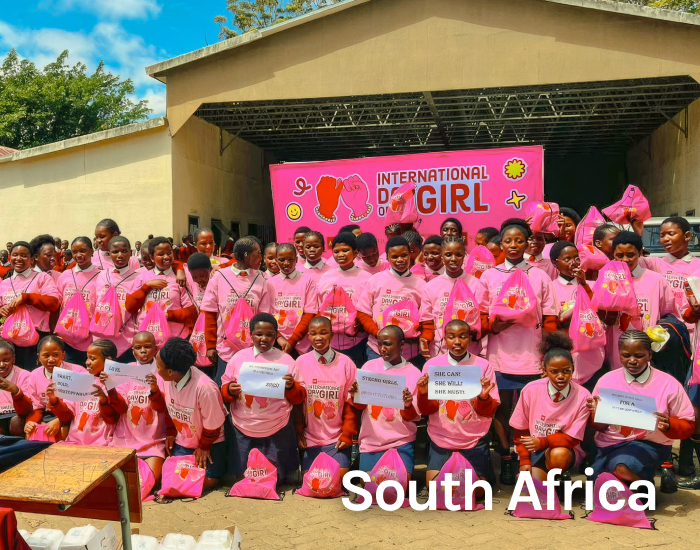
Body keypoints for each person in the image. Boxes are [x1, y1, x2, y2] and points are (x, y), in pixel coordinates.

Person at [478, 219, 558, 483]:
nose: (513, 245)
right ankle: (505, 457)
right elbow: (479, 314)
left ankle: (526, 458)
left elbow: (550, 316)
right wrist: (493, 326)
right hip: (499, 355)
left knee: (531, 412)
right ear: (501, 244)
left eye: (519, 240)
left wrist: (547, 353)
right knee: (501, 409)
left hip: (532, 356)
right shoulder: (489, 276)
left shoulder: (539, 275)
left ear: (528, 244)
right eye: (508, 241)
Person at [588, 330, 694, 485]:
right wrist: (597, 414)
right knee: (597, 482)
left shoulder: (668, 384)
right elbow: (599, 426)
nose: (632, 360)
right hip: (609, 445)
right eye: (626, 355)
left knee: (622, 468)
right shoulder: (606, 381)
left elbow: (688, 424)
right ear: (619, 354)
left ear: (649, 354)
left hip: (648, 445)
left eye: (639, 356)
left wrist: (669, 425)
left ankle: (642, 486)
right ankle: (639, 485)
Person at [222, 313, 305, 481]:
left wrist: (291, 386)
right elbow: (224, 388)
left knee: (276, 478)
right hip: (243, 425)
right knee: (243, 478)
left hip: (277, 425)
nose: (264, 339)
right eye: (259, 334)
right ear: (251, 334)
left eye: (270, 335)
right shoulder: (238, 358)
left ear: (276, 335)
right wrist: (230, 390)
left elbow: (299, 398)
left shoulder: (286, 360)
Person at [417, 320, 499, 485]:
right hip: (441, 438)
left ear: (470, 338)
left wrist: (483, 397)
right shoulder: (432, 365)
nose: (457, 341)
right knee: (435, 488)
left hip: (473, 439)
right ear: (444, 339)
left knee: (474, 491)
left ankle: (484, 473)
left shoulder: (483, 366)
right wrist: (424, 394)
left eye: (462, 336)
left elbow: (490, 411)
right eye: (451, 336)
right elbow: (426, 411)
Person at [510, 332, 591, 482]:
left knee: (559, 456)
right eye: (554, 371)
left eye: (566, 371)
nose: (561, 376)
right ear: (544, 369)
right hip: (534, 449)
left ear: (573, 368)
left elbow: (572, 439)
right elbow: (520, 430)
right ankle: (549, 483)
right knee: (532, 489)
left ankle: (557, 476)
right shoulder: (530, 390)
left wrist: (543, 442)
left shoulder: (583, 396)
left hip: (564, 451)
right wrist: (525, 460)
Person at [151, 337, 227, 488]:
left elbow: (213, 425)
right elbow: (168, 407)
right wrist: (171, 432)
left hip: (209, 443)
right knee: (172, 479)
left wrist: (204, 446)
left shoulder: (206, 388)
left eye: (158, 366)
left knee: (203, 480)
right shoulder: (167, 379)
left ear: (170, 372)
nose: (156, 369)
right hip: (184, 442)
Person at [349, 326, 421, 477]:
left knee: (397, 486)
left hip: (401, 442)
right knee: (370, 485)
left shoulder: (414, 373)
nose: (382, 349)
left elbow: (413, 416)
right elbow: (359, 406)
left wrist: (407, 406)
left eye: (387, 344)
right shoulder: (369, 366)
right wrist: (356, 395)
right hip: (371, 442)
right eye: (380, 344)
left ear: (401, 345)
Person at [201, 236, 273, 385]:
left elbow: (263, 318)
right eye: (258, 253)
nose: (261, 258)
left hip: (253, 351)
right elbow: (209, 314)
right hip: (225, 350)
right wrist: (210, 346)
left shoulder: (262, 280)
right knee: (224, 389)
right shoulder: (219, 277)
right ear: (247, 256)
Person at [603, 231, 677, 371]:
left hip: (649, 352)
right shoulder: (607, 281)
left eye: (630, 254)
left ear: (640, 253)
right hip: (617, 352)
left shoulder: (656, 280)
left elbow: (669, 314)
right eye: (620, 255)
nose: (625, 260)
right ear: (613, 255)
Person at [296, 316, 357, 477]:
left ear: (331, 335)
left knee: (336, 479)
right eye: (313, 333)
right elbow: (296, 403)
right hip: (310, 438)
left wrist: (347, 434)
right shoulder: (300, 362)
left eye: (323, 333)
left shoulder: (346, 363)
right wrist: (298, 433)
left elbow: (351, 404)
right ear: (308, 336)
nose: (318, 337)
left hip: (337, 439)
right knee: (313, 482)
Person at [102, 331, 165, 484]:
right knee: (118, 482)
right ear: (133, 351)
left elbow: (162, 407)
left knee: (149, 481)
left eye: (147, 347)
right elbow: (121, 408)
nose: (143, 351)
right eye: (138, 347)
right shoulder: (125, 370)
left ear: (155, 349)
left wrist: (154, 389)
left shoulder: (162, 371)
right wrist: (110, 387)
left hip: (153, 440)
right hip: (125, 440)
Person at [357, 236, 429, 364]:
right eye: (395, 257)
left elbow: (426, 320)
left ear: (410, 254)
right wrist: (377, 333)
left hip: (409, 354)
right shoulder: (376, 280)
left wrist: (421, 337)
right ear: (387, 258)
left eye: (404, 255)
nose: (400, 260)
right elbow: (363, 312)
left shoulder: (421, 285)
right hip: (378, 351)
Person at [419, 236, 487, 359]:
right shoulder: (430, 287)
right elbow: (427, 321)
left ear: (464, 256)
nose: (453, 259)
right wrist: (425, 340)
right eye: (448, 255)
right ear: (442, 256)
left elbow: (482, 318)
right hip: (440, 354)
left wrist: (475, 334)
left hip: (470, 353)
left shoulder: (477, 285)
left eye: (458, 255)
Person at [549, 241, 604, 390]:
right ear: (555, 263)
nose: (573, 263)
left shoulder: (592, 285)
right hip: (565, 353)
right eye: (567, 259)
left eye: (576, 258)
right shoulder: (550, 287)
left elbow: (599, 312)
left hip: (591, 355)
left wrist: (584, 284)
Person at [45, 339, 118, 446]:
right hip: (74, 441)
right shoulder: (79, 379)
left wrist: (103, 400)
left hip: (102, 443)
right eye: (87, 358)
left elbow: (113, 418)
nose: (87, 362)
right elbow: (67, 415)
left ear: (108, 360)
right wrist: (54, 401)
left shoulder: (116, 383)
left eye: (92, 359)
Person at [0, 242, 61, 370]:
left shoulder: (41, 278)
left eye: (24, 255)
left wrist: (26, 298)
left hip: (37, 339)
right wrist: (2, 311)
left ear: (32, 259)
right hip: (11, 339)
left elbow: (54, 303)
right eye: (15, 255)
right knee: (14, 375)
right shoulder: (5, 283)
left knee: (34, 375)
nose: (18, 258)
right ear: (10, 257)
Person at [316, 233, 373, 368]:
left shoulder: (367, 278)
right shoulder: (326, 277)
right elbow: (320, 307)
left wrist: (361, 322)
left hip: (357, 343)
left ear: (356, 253)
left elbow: (370, 308)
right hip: (330, 343)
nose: (340, 254)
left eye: (345, 250)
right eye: (336, 251)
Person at [126, 237, 197, 343]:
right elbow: (130, 307)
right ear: (152, 257)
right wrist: (146, 287)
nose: (166, 257)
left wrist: (169, 315)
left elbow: (192, 311)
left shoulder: (179, 277)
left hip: (174, 339)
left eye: (169, 253)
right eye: (161, 254)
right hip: (147, 339)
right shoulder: (142, 277)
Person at [23, 336, 88, 440]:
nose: (51, 360)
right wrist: (31, 422)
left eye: (56, 355)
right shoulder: (34, 376)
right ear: (39, 356)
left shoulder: (78, 372)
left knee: (63, 431)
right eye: (46, 355)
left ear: (63, 355)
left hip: (73, 416)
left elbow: (81, 407)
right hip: (48, 415)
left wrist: (59, 421)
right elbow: (37, 408)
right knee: (31, 432)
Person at [93, 236, 140, 363]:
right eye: (115, 252)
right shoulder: (102, 275)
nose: (120, 255)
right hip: (102, 336)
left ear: (131, 253)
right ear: (109, 254)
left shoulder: (138, 278)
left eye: (124, 251)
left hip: (127, 338)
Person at [55, 237, 101, 365]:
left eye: (83, 251)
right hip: (65, 338)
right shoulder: (65, 275)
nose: (78, 255)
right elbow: (58, 303)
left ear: (92, 251)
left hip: (90, 339)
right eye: (75, 252)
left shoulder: (101, 276)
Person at [269, 244, 317, 356]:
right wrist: (278, 338)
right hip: (277, 342)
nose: (286, 263)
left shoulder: (308, 281)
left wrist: (293, 340)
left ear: (296, 259)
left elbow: (309, 313)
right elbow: (268, 314)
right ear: (276, 260)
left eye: (290, 259)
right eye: (282, 260)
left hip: (301, 344)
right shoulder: (270, 283)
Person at [0, 340, 32, 436]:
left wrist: (16, 391)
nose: (1, 365)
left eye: (6, 360)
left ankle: (17, 443)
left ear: (13, 359)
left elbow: (28, 409)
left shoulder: (25, 376)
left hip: (17, 417)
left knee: (16, 422)